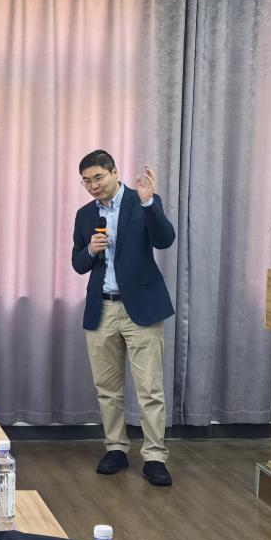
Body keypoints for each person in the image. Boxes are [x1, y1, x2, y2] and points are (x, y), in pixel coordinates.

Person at [71, 149, 177, 487]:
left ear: (114, 172)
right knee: (108, 389)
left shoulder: (140, 201)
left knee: (150, 389)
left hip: (141, 309)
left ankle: (155, 456)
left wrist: (149, 203)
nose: (93, 186)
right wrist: (90, 250)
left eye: (98, 177)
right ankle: (115, 448)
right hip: (102, 309)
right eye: (86, 181)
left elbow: (165, 240)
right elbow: (78, 263)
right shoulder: (85, 215)